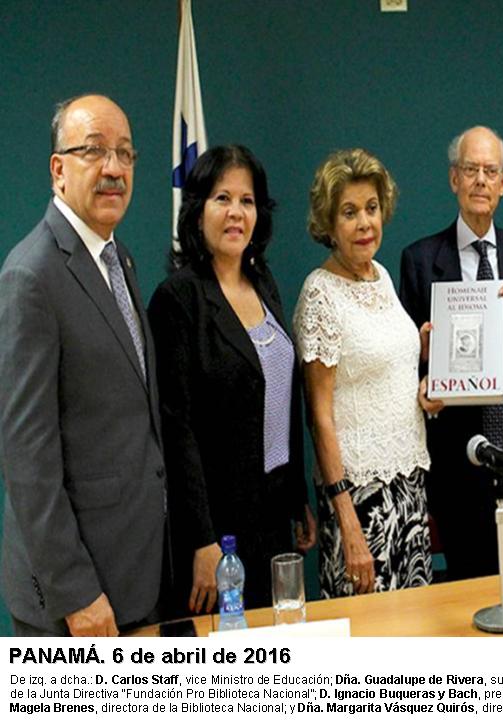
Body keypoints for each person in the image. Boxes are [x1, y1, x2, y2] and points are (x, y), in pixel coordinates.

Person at [0, 95, 166, 636]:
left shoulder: (120, 259)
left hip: (134, 574)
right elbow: (26, 459)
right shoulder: (31, 276)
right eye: (94, 151)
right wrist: (76, 592)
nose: (114, 168)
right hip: (77, 601)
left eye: (125, 153)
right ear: (58, 169)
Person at [148, 145, 316, 614]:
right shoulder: (177, 298)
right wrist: (201, 540)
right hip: (217, 529)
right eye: (222, 198)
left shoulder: (264, 284)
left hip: (273, 514)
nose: (236, 212)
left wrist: (297, 496)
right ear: (198, 209)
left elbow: (282, 396)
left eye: (247, 200)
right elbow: (175, 428)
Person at [399, 126, 503, 580]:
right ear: (454, 179)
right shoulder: (420, 259)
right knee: (464, 595)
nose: (481, 180)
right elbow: (405, 364)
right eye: (471, 170)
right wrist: (422, 361)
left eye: (491, 171)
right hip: (456, 464)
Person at [295, 148, 438, 597]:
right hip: (360, 499)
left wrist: (426, 368)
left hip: (408, 487)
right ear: (328, 222)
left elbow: (382, 371)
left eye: (372, 209)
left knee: (416, 626)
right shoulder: (320, 294)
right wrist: (348, 522)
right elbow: (319, 417)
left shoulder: (381, 277)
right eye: (350, 212)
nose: (364, 224)